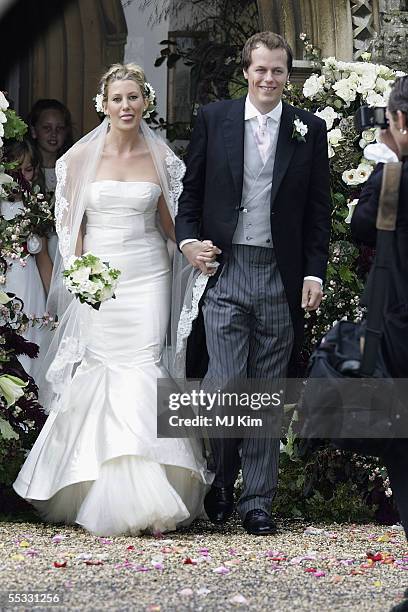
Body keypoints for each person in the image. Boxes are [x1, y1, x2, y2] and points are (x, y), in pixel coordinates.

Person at [13, 63, 210, 536]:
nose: (126, 106)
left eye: (134, 97)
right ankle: (95, 484)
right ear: (104, 104)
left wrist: (191, 249)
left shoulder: (159, 158)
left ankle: (154, 485)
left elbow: (169, 224)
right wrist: (81, 276)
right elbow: (71, 231)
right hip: (100, 279)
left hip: (148, 277)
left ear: (146, 102)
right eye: (117, 98)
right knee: (102, 369)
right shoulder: (79, 160)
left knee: (143, 367)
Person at [175, 31, 331, 535]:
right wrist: (188, 244)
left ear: (289, 75)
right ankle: (222, 476)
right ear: (246, 71)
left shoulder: (308, 128)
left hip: (280, 274)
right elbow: (190, 194)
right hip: (226, 267)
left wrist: (313, 272)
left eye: (278, 71)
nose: (269, 79)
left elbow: (317, 211)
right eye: (260, 69)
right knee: (224, 385)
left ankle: (256, 500)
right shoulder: (214, 119)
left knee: (264, 389)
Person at [351, 75, 408, 612]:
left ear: (398, 121)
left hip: (399, 332)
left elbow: (364, 226)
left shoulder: (397, 175)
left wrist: (386, 163)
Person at [1, 139, 53, 381]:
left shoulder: (35, 208)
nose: (21, 177)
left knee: (30, 348)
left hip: (30, 289)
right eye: (15, 171)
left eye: (28, 170)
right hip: (5, 285)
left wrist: (56, 302)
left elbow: (43, 259)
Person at [28, 99, 73, 262]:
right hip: (34, 253)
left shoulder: (72, 170)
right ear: (34, 131)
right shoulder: (26, 172)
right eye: (47, 128)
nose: (54, 134)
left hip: (62, 251)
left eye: (59, 128)